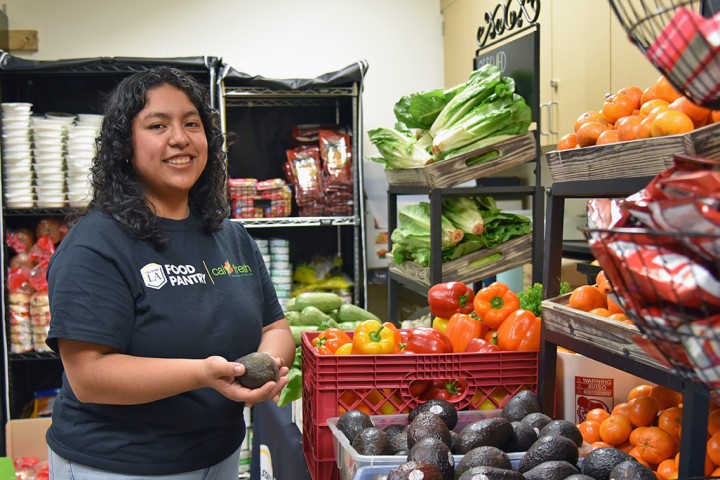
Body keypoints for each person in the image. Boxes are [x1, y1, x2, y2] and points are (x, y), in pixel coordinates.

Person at [45, 66, 296, 479]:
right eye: (157, 125)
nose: (179, 138)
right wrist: (202, 374)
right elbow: (89, 374)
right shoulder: (96, 244)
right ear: (125, 144)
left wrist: (266, 364)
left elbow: (276, 326)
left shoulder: (230, 236)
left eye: (191, 123)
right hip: (119, 465)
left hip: (219, 455)